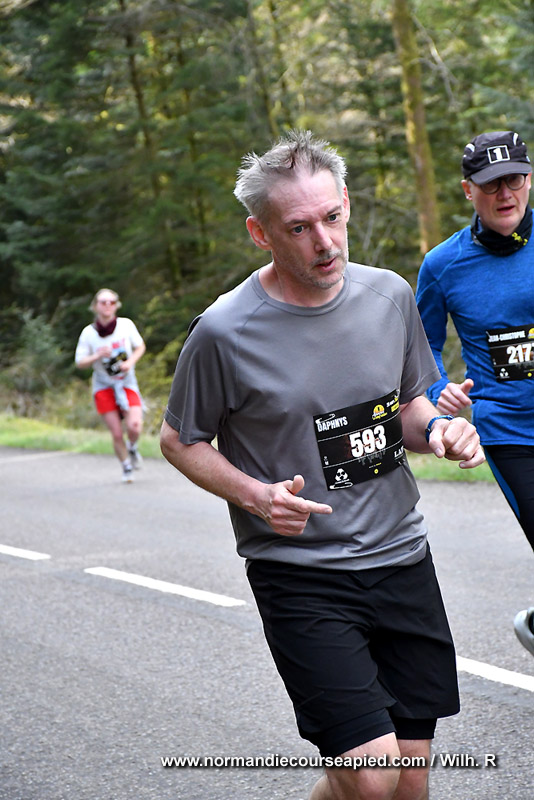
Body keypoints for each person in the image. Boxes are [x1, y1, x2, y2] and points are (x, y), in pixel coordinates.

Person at [160, 130, 485, 800]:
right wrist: (255, 496)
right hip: (302, 575)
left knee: (410, 779)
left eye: (332, 218)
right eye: (299, 228)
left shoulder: (389, 296)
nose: (326, 243)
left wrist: (441, 431)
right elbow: (179, 439)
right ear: (260, 233)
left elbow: (408, 407)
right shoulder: (223, 332)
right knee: (371, 776)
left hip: (402, 558)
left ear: (347, 204)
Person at [416, 130, 534, 659]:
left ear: (528, 180)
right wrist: (440, 390)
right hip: (510, 432)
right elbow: (421, 346)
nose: (505, 193)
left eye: (514, 179)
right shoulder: (443, 265)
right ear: (469, 191)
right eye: (491, 185)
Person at [75, 287, 146, 483]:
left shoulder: (126, 325)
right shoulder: (89, 333)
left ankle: (132, 447)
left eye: (111, 302)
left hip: (126, 381)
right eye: (103, 302)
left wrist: (130, 362)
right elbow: (80, 362)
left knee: (134, 426)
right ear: (95, 306)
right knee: (116, 432)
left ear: (116, 306)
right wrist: (97, 355)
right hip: (104, 385)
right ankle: (126, 467)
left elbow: (140, 346)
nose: (107, 305)